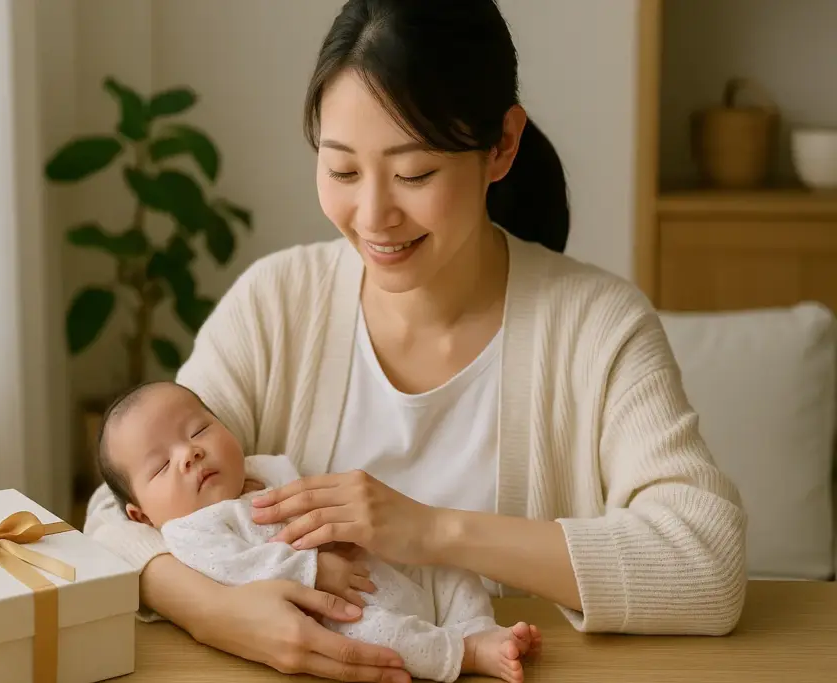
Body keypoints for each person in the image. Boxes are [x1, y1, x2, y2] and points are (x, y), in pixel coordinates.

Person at [84, 1, 748, 682]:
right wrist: (215, 612)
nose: (373, 216)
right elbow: (117, 507)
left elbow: (707, 561)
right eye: (342, 171)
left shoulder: (598, 326)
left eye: (414, 174)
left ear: (501, 146)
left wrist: (430, 530)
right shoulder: (278, 303)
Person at [96, 380, 542, 683]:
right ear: (141, 517)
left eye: (199, 429)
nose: (189, 453)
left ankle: (478, 628)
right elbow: (242, 568)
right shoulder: (192, 530)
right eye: (160, 466)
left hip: (376, 569)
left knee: (447, 569)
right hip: (336, 613)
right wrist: (310, 569)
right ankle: (463, 654)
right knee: (380, 635)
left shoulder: (267, 470)